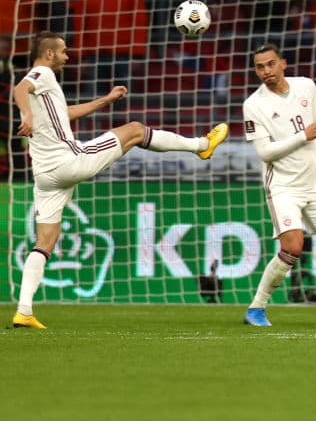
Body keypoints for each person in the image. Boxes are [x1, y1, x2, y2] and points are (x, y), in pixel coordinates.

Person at [11, 32, 228, 329]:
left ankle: (24, 310)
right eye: (63, 51)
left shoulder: (47, 88)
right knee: (136, 130)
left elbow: (65, 114)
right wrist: (24, 112)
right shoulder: (42, 73)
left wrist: (106, 99)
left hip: (45, 175)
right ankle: (202, 146)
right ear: (49, 54)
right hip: (68, 161)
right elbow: (19, 89)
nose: (67, 56)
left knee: (45, 241)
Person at [241, 44, 316, 327]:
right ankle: (256, 308)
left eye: (270, 64)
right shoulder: (254, 105)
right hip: (283, 186)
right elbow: (265, 153)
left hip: (315, 182)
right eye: (259, 67)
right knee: (292, 247)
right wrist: (301, 137)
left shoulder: (306, 86)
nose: (266, 71)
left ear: (283, 63)